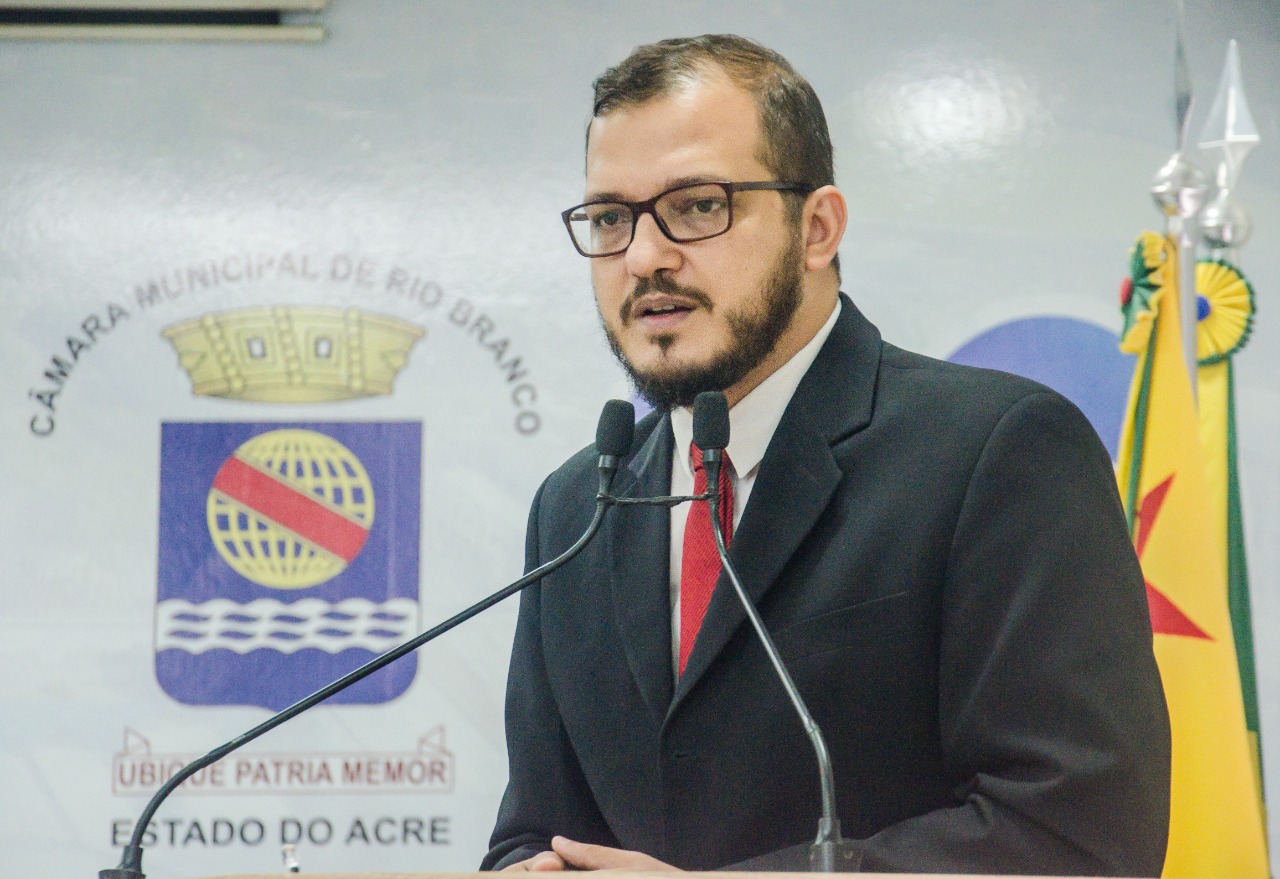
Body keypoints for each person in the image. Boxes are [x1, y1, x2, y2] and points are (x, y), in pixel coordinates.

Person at [482, 34, 1170, 875]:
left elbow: (1080, 832)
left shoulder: (998, 452)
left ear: (817, 228)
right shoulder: (576, 507)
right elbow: (533, 829)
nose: (644, 256)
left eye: (697, 206)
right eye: (609, 219)